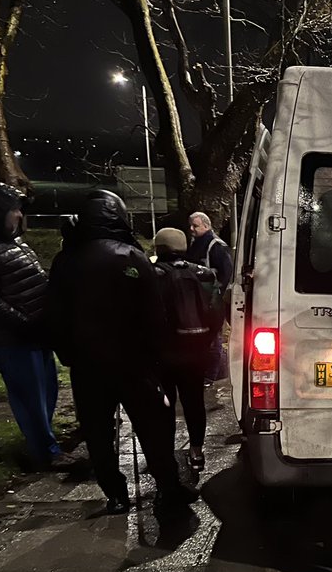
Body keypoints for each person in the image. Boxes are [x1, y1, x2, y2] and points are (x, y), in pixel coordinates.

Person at [49, 191, 199, 515]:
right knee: (153, 428)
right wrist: (156, 361)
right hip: (133, 363)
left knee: (98, 434)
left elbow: (55, 316)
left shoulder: (65, 260)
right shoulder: (131, 256)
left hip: (87, 366)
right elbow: (154, 315)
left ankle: (116, 495)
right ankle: (167, 488)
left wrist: (68, 355)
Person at [0, 182, 67, 470]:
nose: (20, 216)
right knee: (30, 397)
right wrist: (24, 324)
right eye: (15, 210)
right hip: (14, 339)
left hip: (37, 333)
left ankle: (48, 445)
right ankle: (46, 452)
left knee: (46, 391)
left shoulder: (11, 240)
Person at [153, 228, 221, 472]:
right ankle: (196, 451)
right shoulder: (204, 274)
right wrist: (205, 340)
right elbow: (216, 314)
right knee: (194, 401)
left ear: (158, 248)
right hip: (196, 350)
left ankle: (166, 454)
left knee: (164, 404)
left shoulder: (153, 275)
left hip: (163, 353)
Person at [186, 211, 231, 383]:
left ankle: (211, 377)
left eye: (195, 225)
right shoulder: (197, 244)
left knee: (213, 340)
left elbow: (226, 274)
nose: (191, 229)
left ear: (206, 225)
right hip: (200, 301)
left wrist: (216, 297)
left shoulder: (216, 246)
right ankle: (211, 375)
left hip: (211, 302)